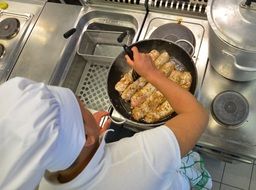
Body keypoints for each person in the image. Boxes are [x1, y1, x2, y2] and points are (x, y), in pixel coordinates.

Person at [0, 46, 212, 190]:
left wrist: (94, 138)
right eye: (80, 107)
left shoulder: (46, 181)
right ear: (85, 137)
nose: (83, 103)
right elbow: (197, 115)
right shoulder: (141, 159)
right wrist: (152, 73)